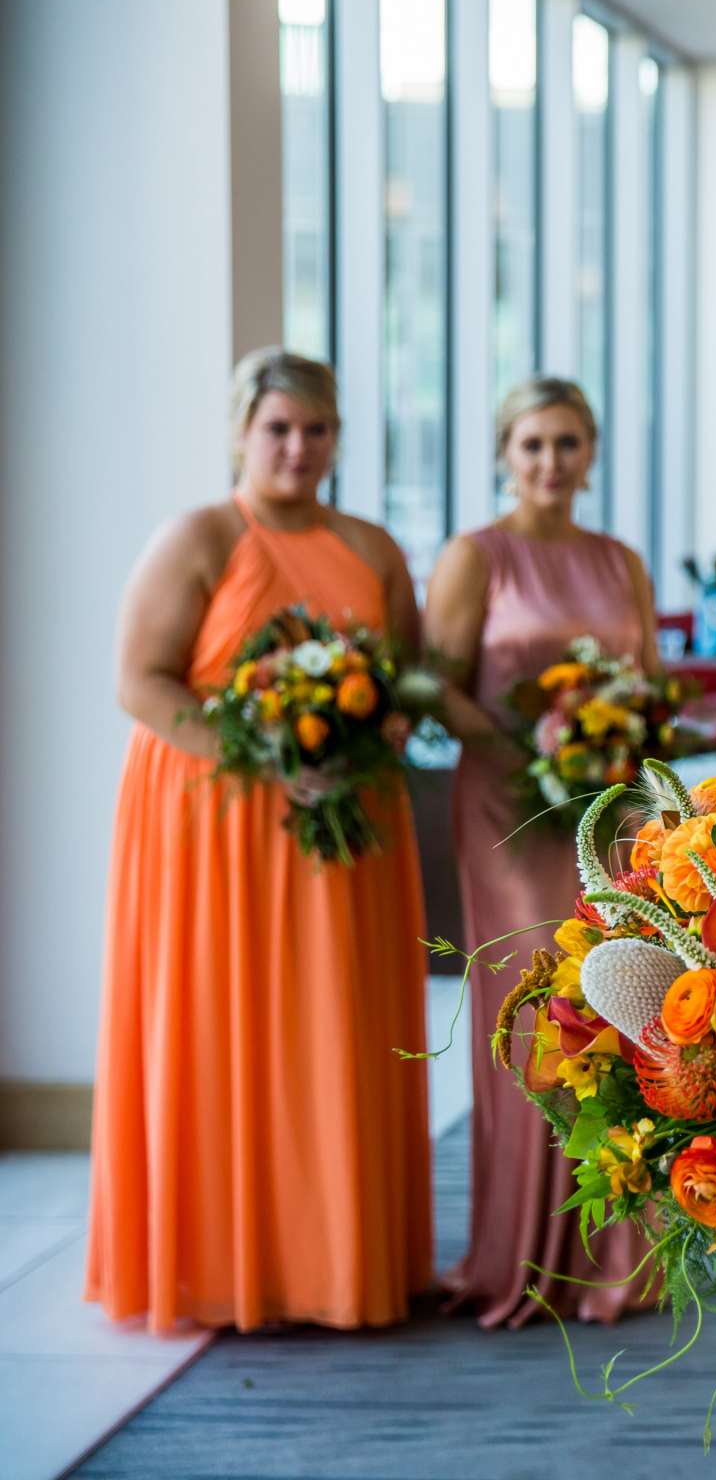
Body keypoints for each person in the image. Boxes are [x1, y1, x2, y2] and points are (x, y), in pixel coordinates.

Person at [88, 348, 432, 1331]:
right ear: (241, 430)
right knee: (218, 1025)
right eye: (278, 427)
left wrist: (378, 733)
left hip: (346, 823)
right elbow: (141, 680)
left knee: (337, 1024)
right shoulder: (196, 537)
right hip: (213, 823)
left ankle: (336, 1262)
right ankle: (217, 1264)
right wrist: (266, 755)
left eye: (316, 428)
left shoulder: (373, 548)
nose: (296, 446)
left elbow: (400, 679)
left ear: (336, 438)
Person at [424, 377, 661, 1329]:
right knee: (530, 1014)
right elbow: (433, 686)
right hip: (506, 811)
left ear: (592, 451)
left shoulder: (620, 560)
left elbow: (647, 683)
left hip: (608, 807)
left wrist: (610, 746)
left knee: (614, 1001)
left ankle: (615, 1255)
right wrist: (532, 749)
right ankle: (520, 1254)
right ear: (503, 452)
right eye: (532, 445)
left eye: (567, 443)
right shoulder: (474, 557)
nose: (550, 463)